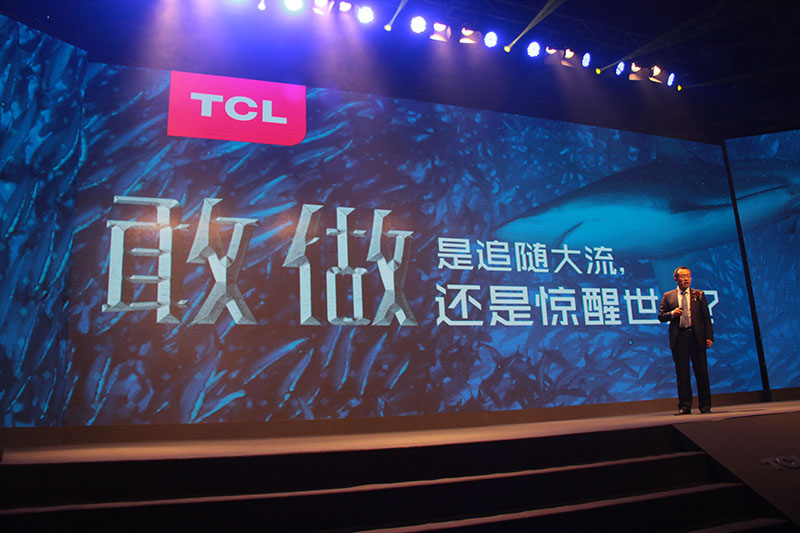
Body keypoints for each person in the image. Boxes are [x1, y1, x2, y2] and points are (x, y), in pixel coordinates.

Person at [658, 266, 714, 415]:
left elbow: (706, 318)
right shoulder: (668, 296)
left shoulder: (698, 294)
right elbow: (661, 316)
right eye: (683, 276)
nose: (686, 279)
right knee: (682, 375)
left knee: (702, 373)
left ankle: (705, 406)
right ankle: (684, 407)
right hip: (679, 338)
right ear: (676, 279)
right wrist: (672, 314)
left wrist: (709, 336)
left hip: (696, 337)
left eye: (688, 276)